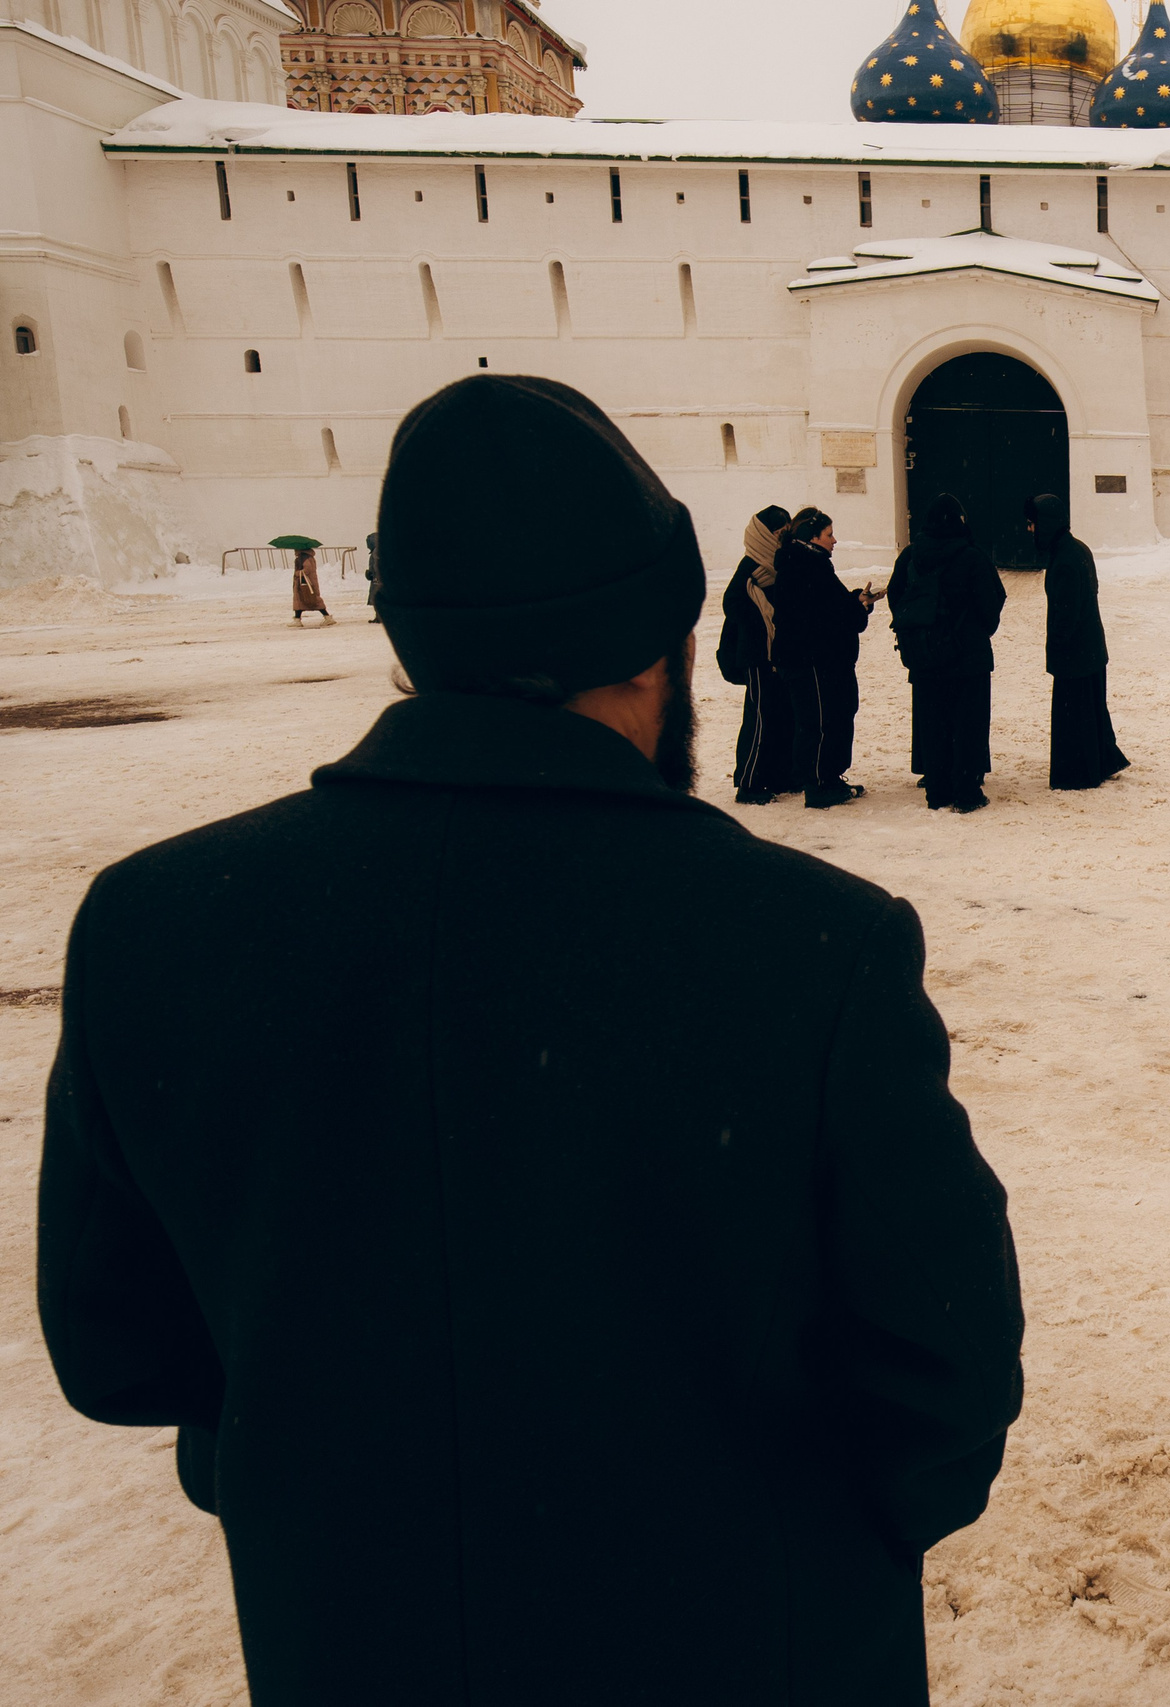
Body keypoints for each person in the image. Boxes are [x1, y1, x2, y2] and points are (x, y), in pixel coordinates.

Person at [37, 373, 1024, 1707]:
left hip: (353, 1638)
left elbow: (120, 1351)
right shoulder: (811, 949)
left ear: (407, 642)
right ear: (656, 646)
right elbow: (945, 1375)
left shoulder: (156, 929)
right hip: (748, 1642)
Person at [887, 492, 1005, 813]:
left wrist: (923, 632)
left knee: (933, 723)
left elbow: (896, 598)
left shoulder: (911, 556)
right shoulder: (972, 557)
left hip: (925, 656)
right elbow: (992, 602)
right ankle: (966, 792)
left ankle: (937, 791)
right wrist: (973, 631)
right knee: (968, 724)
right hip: (968, 657)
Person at [769, 505, 873, 810]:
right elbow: (829, 615)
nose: (834, 540)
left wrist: (855, 602)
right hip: (811, 659)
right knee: (818, 720)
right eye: (829, 534)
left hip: (815, 658)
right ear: (812, 537)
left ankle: (828, 777)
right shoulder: (807, 566)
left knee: (832, 715)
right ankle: (818, 784)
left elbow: (830, 607)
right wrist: (859, 607)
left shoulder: (805, 563)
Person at [1028, 492, 1128, 791]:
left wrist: (1057, 644)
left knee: (1075, 715)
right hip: (1090, 647)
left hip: (1077, 652)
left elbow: (1067, 612)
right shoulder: (1076, 550)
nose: (1030, 530)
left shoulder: (1066, 559)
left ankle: (1078, 773)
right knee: (1091, 709)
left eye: (1032, 524)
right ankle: (1100, 762)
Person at [714, 504, 799, 805]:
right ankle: (748, 783)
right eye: (778, 532)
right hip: (757, 657)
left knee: (780, 715)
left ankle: (777, 776)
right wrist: (763, 618)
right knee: (760, 719)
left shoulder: (777, 564)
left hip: (774, 656)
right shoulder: (752, 567)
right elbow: (732, 605)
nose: (782, 537)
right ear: (763, 534)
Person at [289, 546, 332, 625]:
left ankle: (297, 620)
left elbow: (307, 570)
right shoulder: (306, 557)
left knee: (309, 600)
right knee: (306, 601)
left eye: (296, 549)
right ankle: (297, 619)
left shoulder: (304, 558)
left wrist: (297, 573)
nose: (295, 550)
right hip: (307, 583)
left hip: (304, 584)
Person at [364, 530, 383, 622]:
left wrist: (372, 573)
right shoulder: (381, 549)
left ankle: (379, 617)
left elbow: (376, 565)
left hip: (377, 578)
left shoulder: (376, 551)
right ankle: (379, 617)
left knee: (376, 597)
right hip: (380, 578)